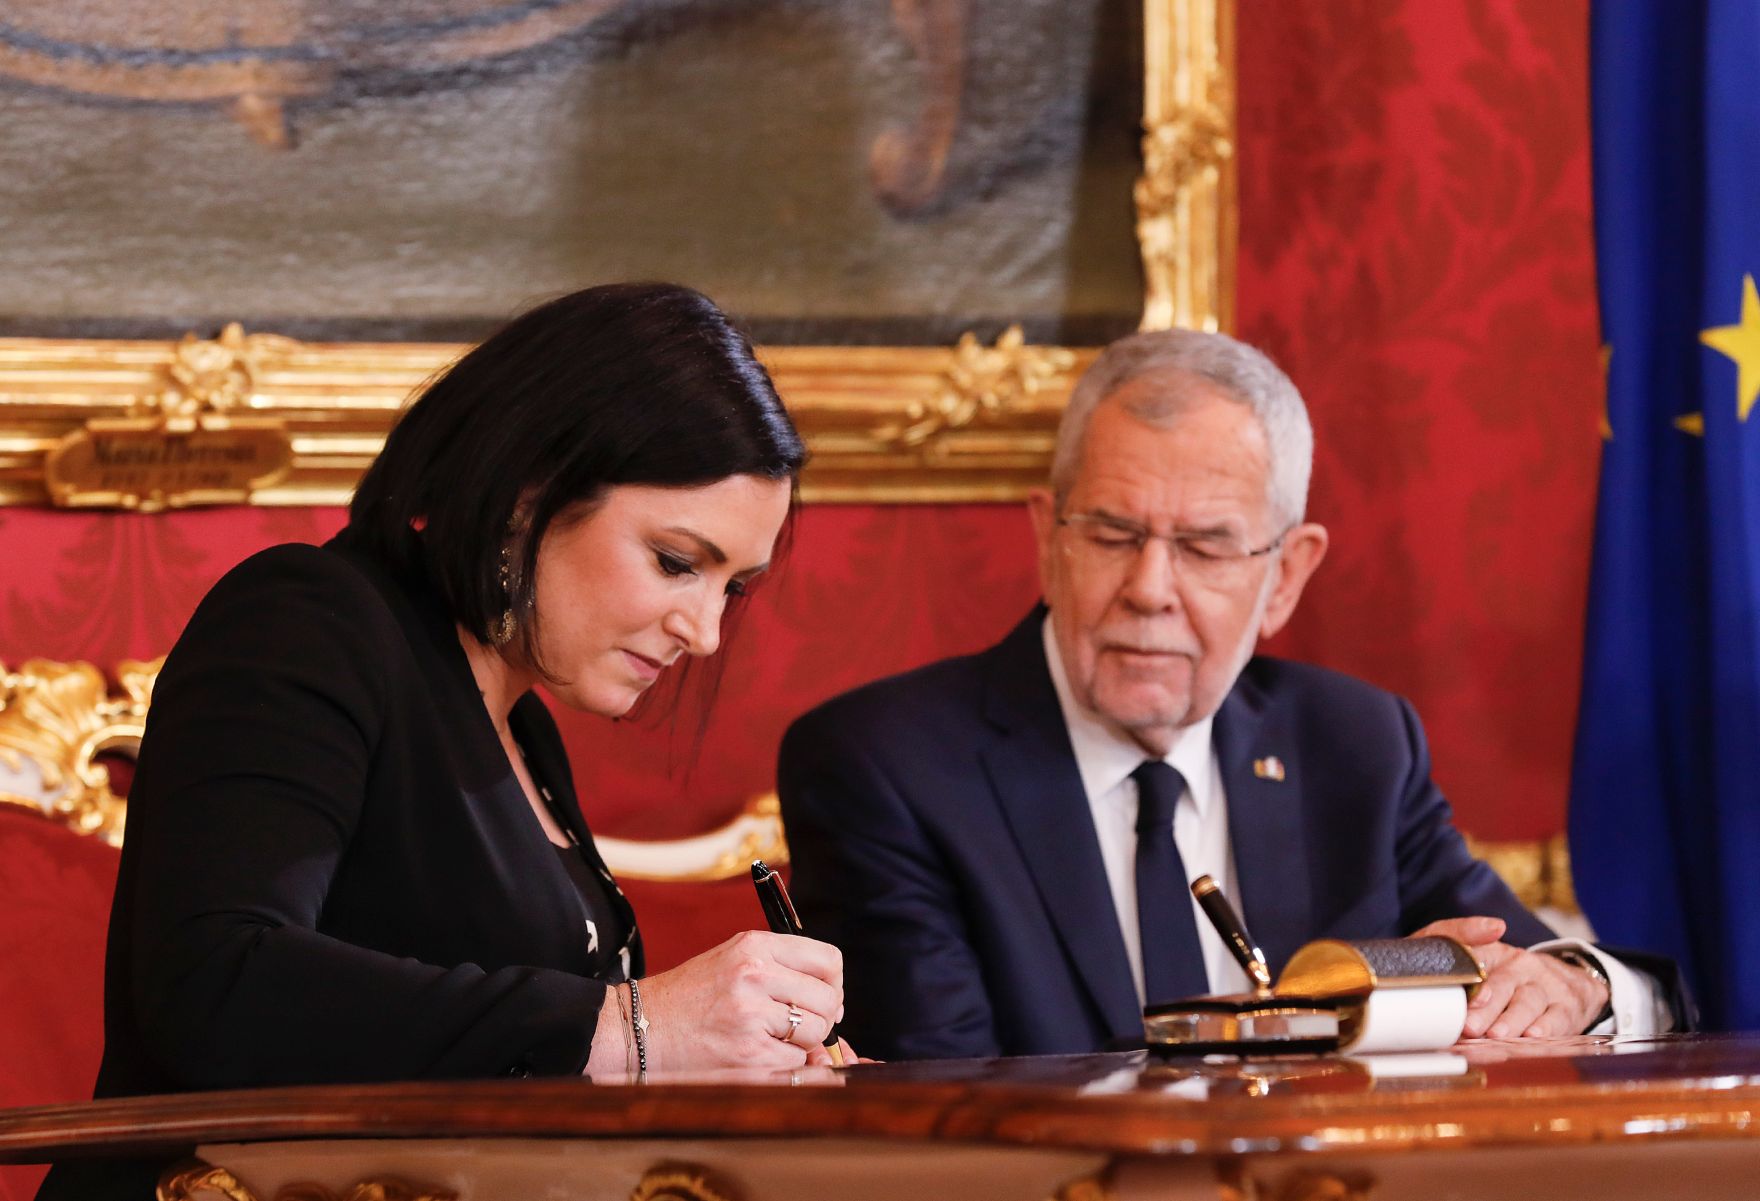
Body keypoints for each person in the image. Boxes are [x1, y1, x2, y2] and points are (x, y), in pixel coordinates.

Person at [41, 284, 847, 1201]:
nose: (703, 631)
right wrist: (633, 1026)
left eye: (731, 587)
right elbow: (215, 983)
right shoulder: (308, 619)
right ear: (528, 491)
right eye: (675, 561)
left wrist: (737, 1061)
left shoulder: (524, 725)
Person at [778, 329, 1688, 1062]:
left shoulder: (1354, 744)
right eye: (1112, 533)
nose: (1149, 588)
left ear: (1286, 575)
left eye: (1206, 547)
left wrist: (1573, 983)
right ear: (1049, 540)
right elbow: (948, 1103)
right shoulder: (886, 767)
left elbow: (1545, 964)